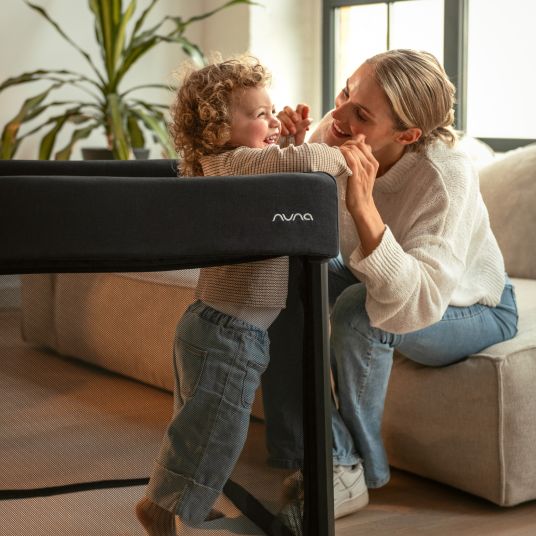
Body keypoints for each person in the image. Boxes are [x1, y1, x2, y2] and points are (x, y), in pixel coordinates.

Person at [266, 48, 519, 524]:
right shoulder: (336, 130)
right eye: (345, 92)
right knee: (278, 282)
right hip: (378, 275)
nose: (337, 114)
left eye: (361, 113)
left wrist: (364, 205)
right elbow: (298, 218)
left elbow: (415, 304)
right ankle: (320, 454)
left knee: (359, 312)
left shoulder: (445, 177)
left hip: (474, 303)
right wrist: (290, 151)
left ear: (408, 134)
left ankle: (347, 472)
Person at [135, 55, 355, 535]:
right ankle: (160, 509)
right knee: (217, 432)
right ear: (218, 129)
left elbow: (283, 174)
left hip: (217, 325)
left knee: (196, 427)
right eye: (260, 115)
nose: (272, 121)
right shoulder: (228, 164)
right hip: (230, 333)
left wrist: (292, 136)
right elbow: (293, 165)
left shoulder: (238, 166)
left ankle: (181, 496)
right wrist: (342, 152)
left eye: (271, 110)